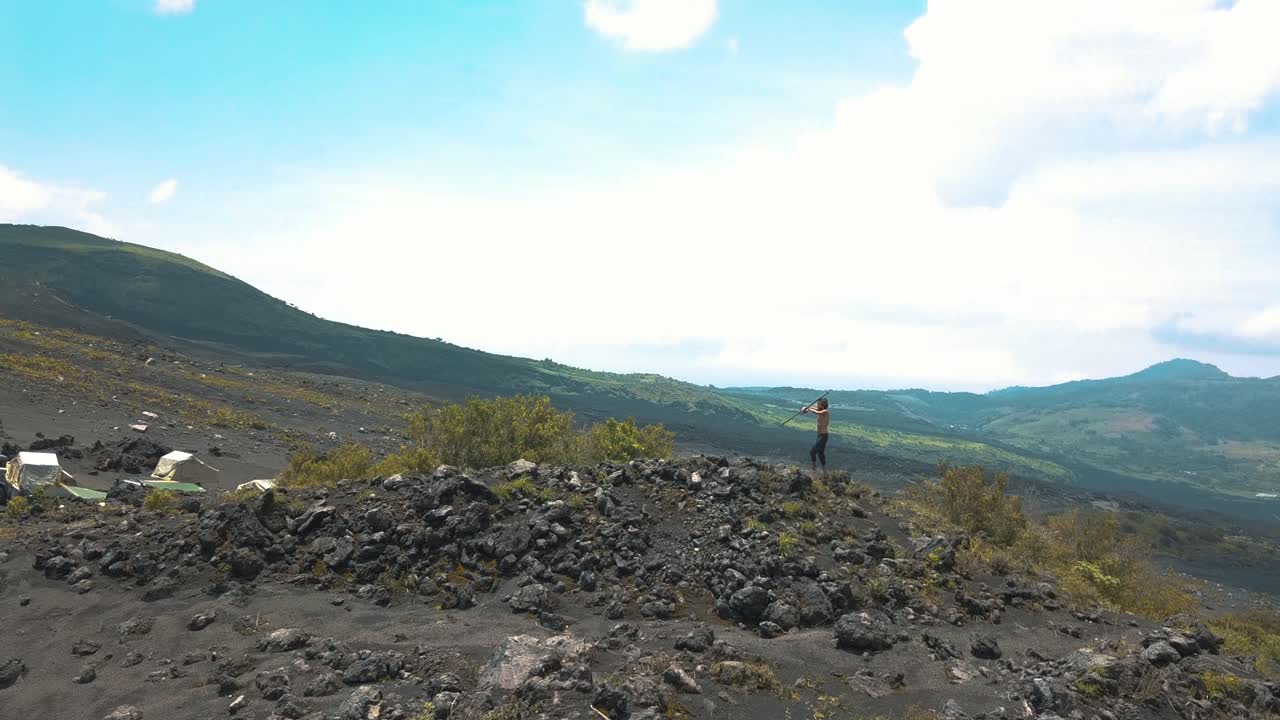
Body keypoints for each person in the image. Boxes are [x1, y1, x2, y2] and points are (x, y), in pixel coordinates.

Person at [801, 398, 830, 471]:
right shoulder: (819, 410)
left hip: (823, 436)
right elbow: (814, 409)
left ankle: (814, 468)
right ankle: (825, 471)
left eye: (818, 404)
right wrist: (805, 409)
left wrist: (808, 409)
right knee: (820, 453)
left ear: (823, 405)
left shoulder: (825, 412)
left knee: (812, 451)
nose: (817, 405)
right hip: (819, 435)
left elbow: (817, 412)